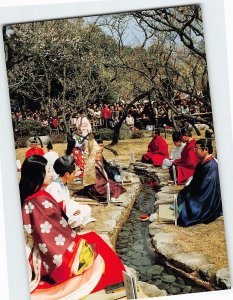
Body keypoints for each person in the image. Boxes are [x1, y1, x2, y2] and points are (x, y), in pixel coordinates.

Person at [20, 155, 125, 299]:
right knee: (92, 253)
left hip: (55, 233)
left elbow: (56, 214)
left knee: (90, 234)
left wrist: (63, 211)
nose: (51, 174)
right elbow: (49, 232)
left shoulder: (37, 196)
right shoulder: (37, 200)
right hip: (47, 248)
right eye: (47, 171)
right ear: (38, 176)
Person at [177, 139, 223, 226]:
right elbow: (195, 181)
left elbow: (207, 190)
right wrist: (186, 191)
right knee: (182, 194)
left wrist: (191, 195)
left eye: (197, 148)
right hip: (200, 193)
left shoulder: (211, 166)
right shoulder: (201, 163)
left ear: (206, 149)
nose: (194, 151)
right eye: (194, 148)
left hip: (208, 199)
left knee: (189, 208)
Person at [46, 155, 95, 229]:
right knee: (76, 218)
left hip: (68, 211)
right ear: (67, 174)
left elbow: (67, 201)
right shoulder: (54, 187)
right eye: (74, 173)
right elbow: (57, 208)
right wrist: (73, 212)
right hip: (59, 216)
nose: (75, 175)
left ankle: (77, 221)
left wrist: (75, 208)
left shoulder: (63, 183)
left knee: (87, 208)